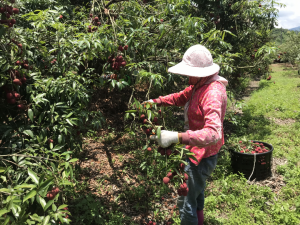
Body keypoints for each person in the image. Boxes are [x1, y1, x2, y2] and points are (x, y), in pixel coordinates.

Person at [147, 45, 228, 225]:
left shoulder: (212, 93)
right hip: (198, 153)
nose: (186, 78)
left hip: (201, 156)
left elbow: (214, 133)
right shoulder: (200, 85)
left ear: (200, 73)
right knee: (196, 195)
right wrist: (156, 102)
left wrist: (178, 137)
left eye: (188, 73)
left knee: (186, 204)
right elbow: (180, 97)